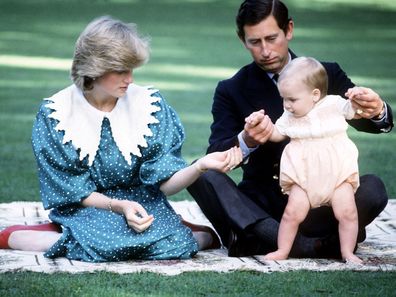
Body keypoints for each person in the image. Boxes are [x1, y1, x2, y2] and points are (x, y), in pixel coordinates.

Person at [0, 16, 243, 262]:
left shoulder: (149, 106)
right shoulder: (58, 114)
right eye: (120, 71)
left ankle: (79, 238)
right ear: (94, 70)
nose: (130, 79)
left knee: (180, 245)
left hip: (143, 203)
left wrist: (200, 166)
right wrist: (119, 206)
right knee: (109, 245)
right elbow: (73, 191)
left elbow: (164, 184)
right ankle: (32, 235)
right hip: (87, 207)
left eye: (132, 69)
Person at [187, 0, 393, 258]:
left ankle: (268, 242)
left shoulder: (326, 73)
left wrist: (376, 110)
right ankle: (304, 244)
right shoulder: (231, 89)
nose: (265, 51)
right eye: (254, 42)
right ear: (243, 40)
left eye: (272, 38)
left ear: (289, 30)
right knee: (201, 172)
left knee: (373, 187)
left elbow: (367, 120)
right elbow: (215, 153)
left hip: (325, 201)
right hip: (264, 208)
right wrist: (247, 140)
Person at [255, 56, 362, 263]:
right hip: (303, 175)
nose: (286, 105)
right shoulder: (288, 117)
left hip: (337, 173)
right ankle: (282, 250)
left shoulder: (334, 104)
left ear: (315, 94)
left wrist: (356, 98)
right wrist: (263, 126)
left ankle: (347, 252)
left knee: (348, 212)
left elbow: (354, 111)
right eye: (283, 99)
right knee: (292, 213)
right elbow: (277, 133)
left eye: (292, 99)